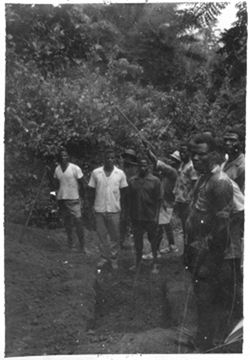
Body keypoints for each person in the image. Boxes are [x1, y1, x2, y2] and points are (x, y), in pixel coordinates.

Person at [185, 133, 234, 349]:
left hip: (212, 252)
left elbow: (222, 227)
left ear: (213, 155)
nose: (196, 159)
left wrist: (209, 260)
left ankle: (208, 344)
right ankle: (203, 338)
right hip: (199, 247)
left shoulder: (220, 182)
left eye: (201, 155)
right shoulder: (205, 178)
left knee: (209, 297)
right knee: (201, 296)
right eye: (193, 155)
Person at [88, 148, 128, 270]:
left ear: (114, 160)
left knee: (115, 236)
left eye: (112, 158)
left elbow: (124, 193)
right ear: (104, 159)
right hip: (100, 209)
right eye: (107, 158)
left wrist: (124, 210)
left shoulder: (120, 174)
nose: (110, 160)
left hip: (114, 210)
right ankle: (104, 257)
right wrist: (91, 207)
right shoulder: (96, 173)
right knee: (101, 235)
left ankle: (114, 258)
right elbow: (91, 191)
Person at [143, 149, 180, 260]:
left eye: (174, 160)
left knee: (158, 227)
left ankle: (156, 251)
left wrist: (149, 152)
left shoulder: (173, 172)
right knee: (166, 225)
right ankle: (172, 245)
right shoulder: (170, 174)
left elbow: (156, 162)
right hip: (166, 202)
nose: (170, 160)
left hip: (166, 203)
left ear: (178, 162)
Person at [128, 157, 161, 273]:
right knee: (138, 242)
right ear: (137, 166)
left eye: (145, 165)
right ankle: (138, 263)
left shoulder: (155, 181)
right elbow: (129, 200)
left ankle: (155, 263)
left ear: (148, 166)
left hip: (150, 216)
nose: (143, 167)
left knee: (153, 241)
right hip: (137, 216)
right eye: (140, 165)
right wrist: (129, 215)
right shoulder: (132, 181)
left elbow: (159, 200)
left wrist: (157, 216)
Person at [53, 149, 86, 252]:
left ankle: (82, 246)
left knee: (78, 221)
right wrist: (54, 195)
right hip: (62, 199)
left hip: (74, 199)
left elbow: (82, 183)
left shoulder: (75, 168)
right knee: (67, 222)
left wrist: (83, 197)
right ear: (59, 157)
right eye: (62, 156)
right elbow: (55, 185)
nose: (64, 157)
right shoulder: (57, 169)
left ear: (68, 157)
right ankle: (70, 244)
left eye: (65, 155)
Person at [173, 142, 198, 238]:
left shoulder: (191, 166)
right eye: (181, 152)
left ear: (190, 152)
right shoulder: (182, 164)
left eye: (185, 152)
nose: (182, 154)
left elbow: (195, 185)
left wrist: (190, 200)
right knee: (184, 226)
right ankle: (186, 250)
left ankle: (190, 250)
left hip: (188, 202)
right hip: (181, 200)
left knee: (189, 226)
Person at [120, 149, 138, 248]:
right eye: (126, 156)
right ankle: (122, 239)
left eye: (128, 157)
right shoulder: (123, 168)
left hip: (133, 195)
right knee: (123, 218)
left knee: (133, 218)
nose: (126, 158)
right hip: (123, 195)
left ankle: (133, 240)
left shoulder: (134, 168)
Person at [222, 125, 245, 193]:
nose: (227, 143)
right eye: (226, 140)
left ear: (241, 143)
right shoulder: (225, 163)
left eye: (232, 140)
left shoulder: (243, 166)